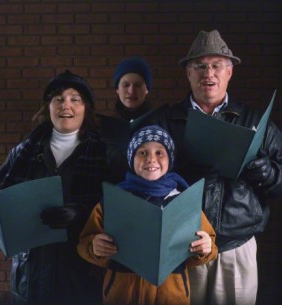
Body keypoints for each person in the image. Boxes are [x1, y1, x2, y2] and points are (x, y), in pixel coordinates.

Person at [154, 30, 282, 305]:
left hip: (236, 248)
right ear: (188, 73)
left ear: (229, 72)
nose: (208, 73)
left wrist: (269, 174)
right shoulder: (166, 120)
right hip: (182, 246)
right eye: (199, 66)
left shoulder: (255, 121)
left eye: (216, 66)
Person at [0, 70, 108, 305]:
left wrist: (79, 214)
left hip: (79, 272)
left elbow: (114, 209)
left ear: (86, 108)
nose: (66, 105)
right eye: (58, 99)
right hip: (31, 273)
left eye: (75, 99)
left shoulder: (105, 153)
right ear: (48, 107)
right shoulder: (23, 152)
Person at [77, 125, 218, 305]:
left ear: (170, 159)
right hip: (122, 291)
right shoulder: (114, 200)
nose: (151, 159)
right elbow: (84, 243)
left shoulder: (184, 201)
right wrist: (94, 247)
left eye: (160, 153)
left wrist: (205, 248)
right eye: (142, 153)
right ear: (131, 159)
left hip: (171, 293)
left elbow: (211, 245)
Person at [110, 55, 152, 121]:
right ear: (117, 89)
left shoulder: (160, 125)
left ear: (146, 89)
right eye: (126, 85)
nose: (131, 91)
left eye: (138, 85)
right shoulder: (106, 126)